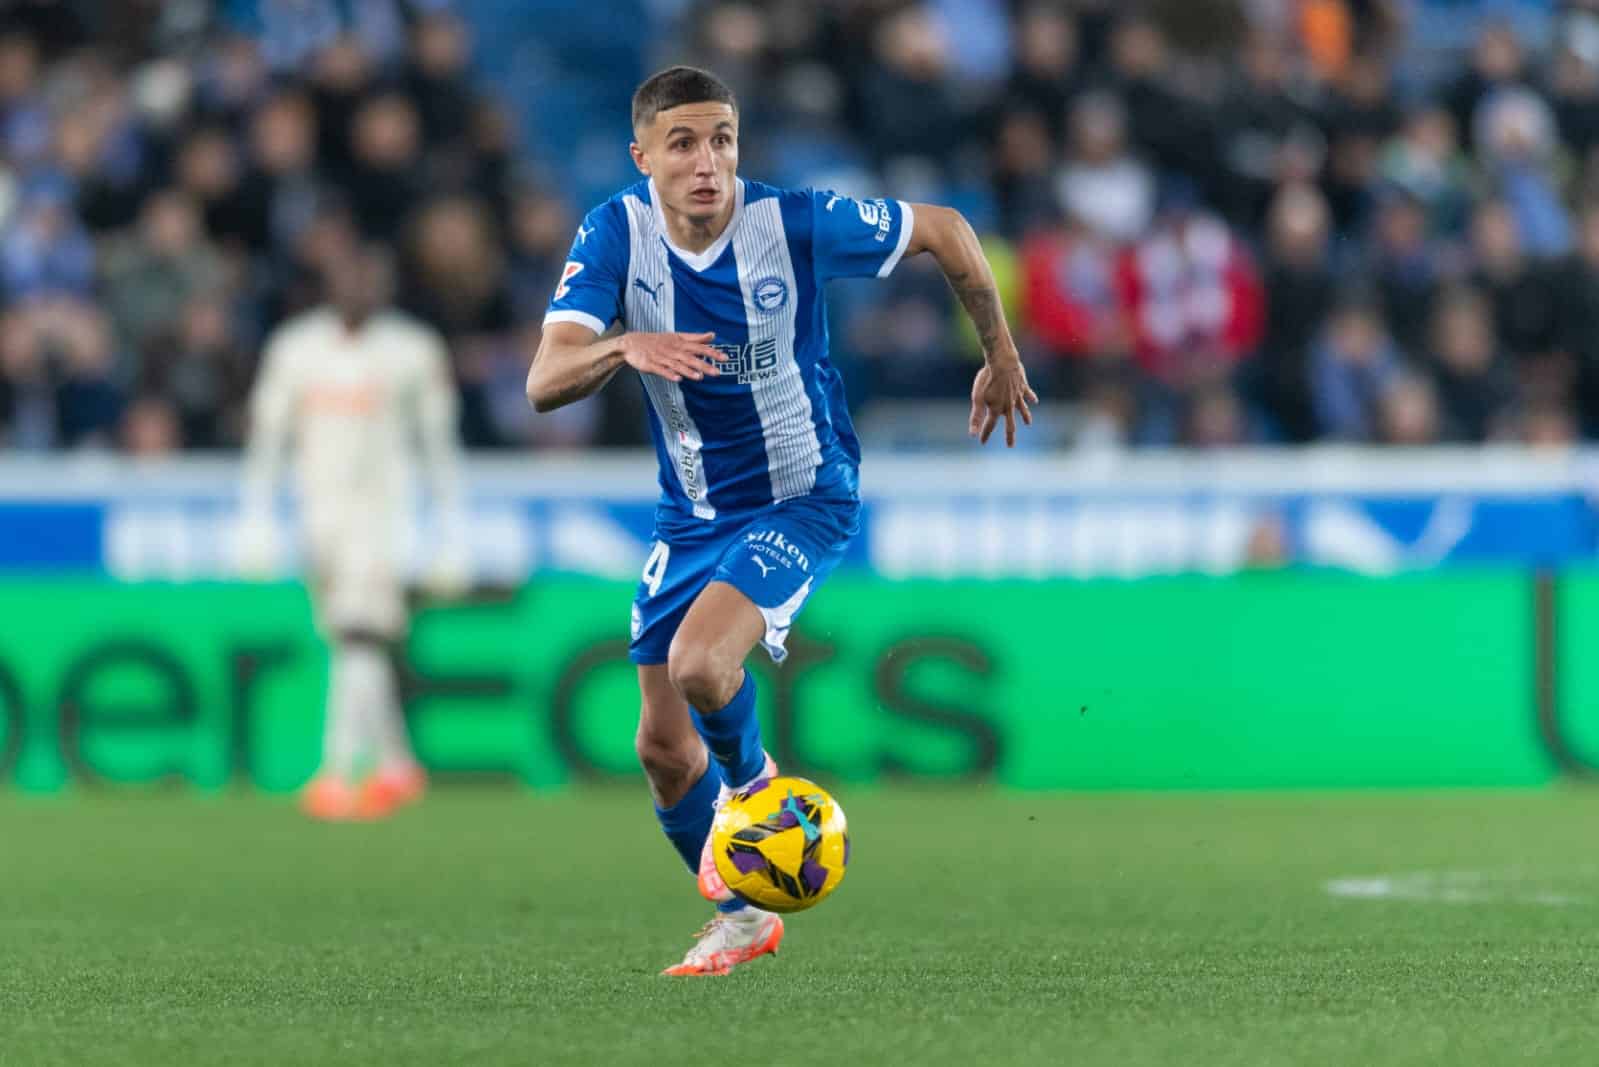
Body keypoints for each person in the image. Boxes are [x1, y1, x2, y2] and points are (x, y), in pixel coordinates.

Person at [527, 66, 1036, 977]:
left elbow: (950, 231)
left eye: (721, 138)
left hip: (803, 494)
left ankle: (757, 794)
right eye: (682, 143)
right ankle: (738, 914)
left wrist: (997, 355)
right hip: (689, 518)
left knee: (698, 662)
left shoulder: (792, 221)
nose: (706, 161)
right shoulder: (614, 234)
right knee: (657, 748)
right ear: (642, 156)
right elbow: (542, 381)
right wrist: (623, 344)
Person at [239, 241, 468, 821]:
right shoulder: (294, 349)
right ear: (327, 284)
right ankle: (397, 766)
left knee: (357, 636)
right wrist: (257, 522)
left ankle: (337, 773)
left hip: (384, 516)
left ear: (385, 288)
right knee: (349, 637)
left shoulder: (413, 350)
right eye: (347, 278)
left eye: (369, 279)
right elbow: (268, 443)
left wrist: (449, 534)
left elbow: (439, 450)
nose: (358, 291)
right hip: (318, 518)